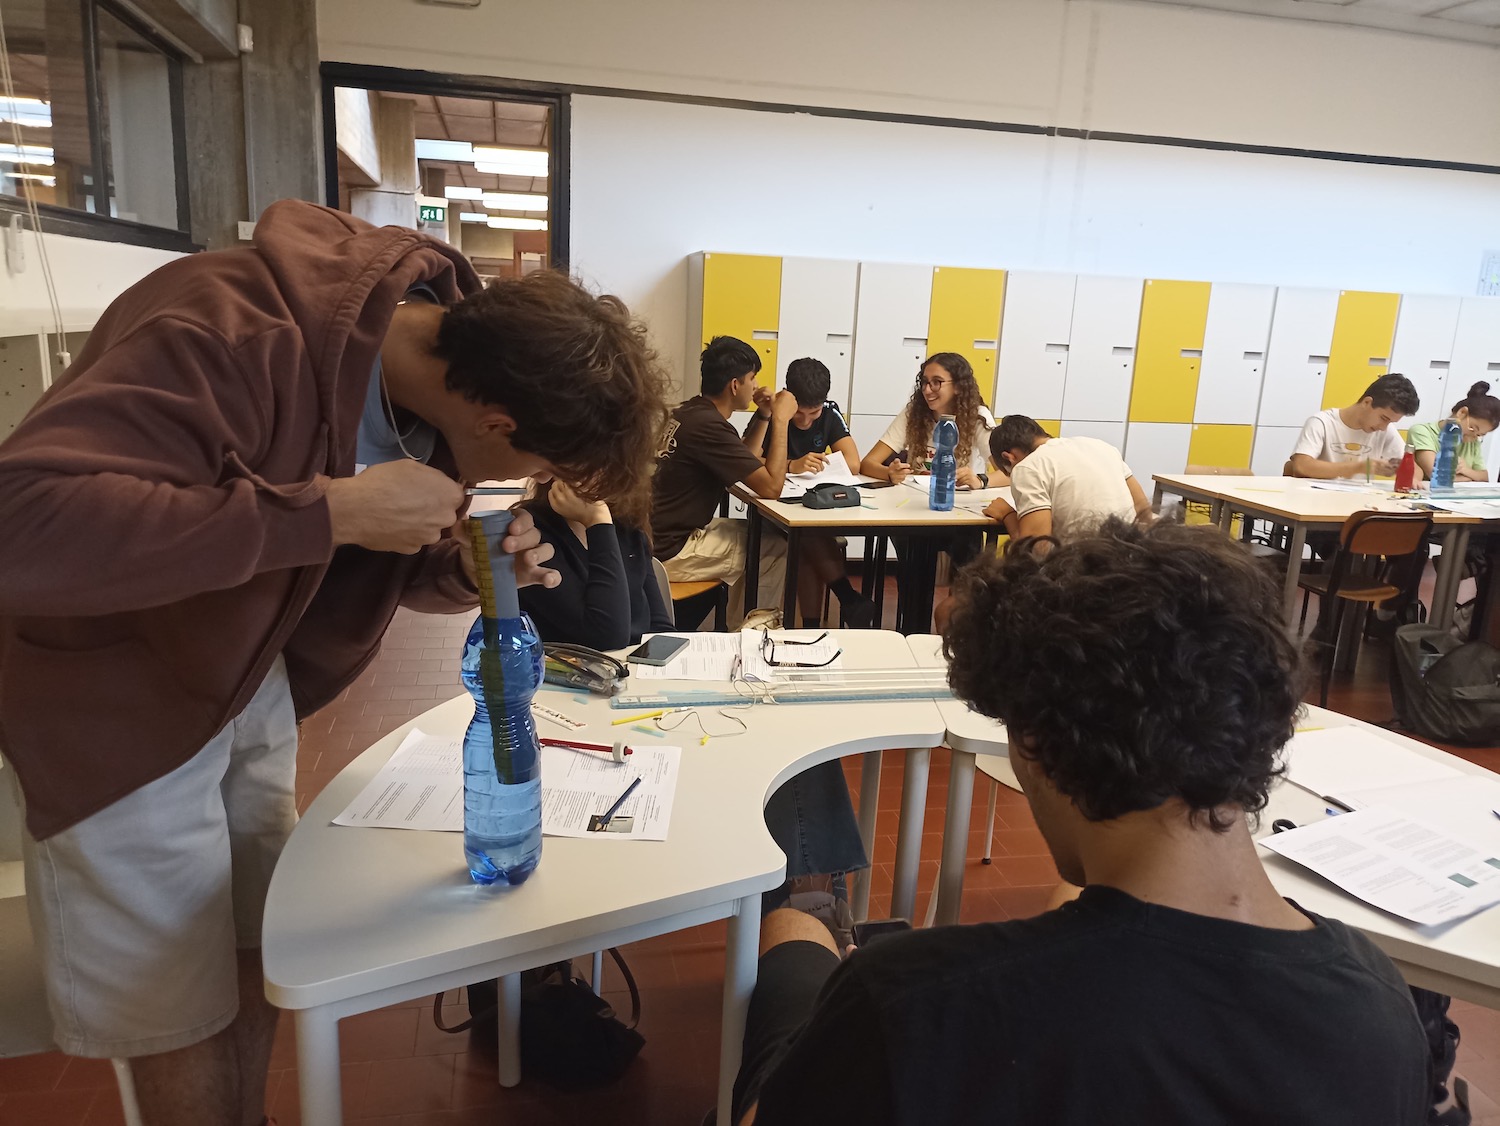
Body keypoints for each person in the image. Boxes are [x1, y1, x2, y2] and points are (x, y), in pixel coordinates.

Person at [0, 200, 668, 1126]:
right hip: (117, 693)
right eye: (539, 468)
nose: (531, 487)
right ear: (497, 419)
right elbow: (23, 522)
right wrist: (332, 512)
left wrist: (459, 567)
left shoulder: (431, 386)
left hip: (246, 672)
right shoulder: (229, 328)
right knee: (170, 1000)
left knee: (256, 940)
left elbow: (360, 552)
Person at [728, 520, 1429, 1126]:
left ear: (1031, 744)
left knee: (796, 934)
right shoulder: (1377, 1003)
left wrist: (814, 979)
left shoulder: (913, 1000)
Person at [654, 337, 870, 626]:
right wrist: (780, 420)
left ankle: (740, 625)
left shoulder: (690, 412)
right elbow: (770, 488)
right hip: (671, 548)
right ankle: (752, 633)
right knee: (774, 548)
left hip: (657, 535)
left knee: (767, 537)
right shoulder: (710, 427)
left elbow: (743, 459)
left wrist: (766, 414)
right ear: (735, 385)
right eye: (752, 378)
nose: (756, 385)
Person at [744, 357, 876, 627]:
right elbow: (746, 460)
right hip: (771, 510)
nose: (805, 421)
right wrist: (791, 465)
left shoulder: (829, 411)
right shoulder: (774, 411)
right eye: (799, 413)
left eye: (813, 414)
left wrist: (823, 463)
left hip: (809, 505)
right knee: (805, 535)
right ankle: (847, 597)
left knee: (806, 537)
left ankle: (813, 626)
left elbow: (853, 462)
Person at [515, 480, 672, 650]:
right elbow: (607, 638)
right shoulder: (533, 534)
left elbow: (661, 627)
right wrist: (597, 522)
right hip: (577, 663)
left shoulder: (626, 524)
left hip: (636, 662)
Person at [982, 414, 1152, 540]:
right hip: (1131, 558)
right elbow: (1143, 511)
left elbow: (1035, 549)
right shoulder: (1102, 446)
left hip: (1082, 566)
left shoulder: (1027, 467)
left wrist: (1008, 515)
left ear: (1009, 458)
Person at [858, 352, 995, 488]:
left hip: (958, 495)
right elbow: (867, 463)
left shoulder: (977, 416)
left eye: (937, 382)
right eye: (925, 382)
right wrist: (889, 473)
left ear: (958, 387)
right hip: (915, 494)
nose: (927, 390)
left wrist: (980, 481)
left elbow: (1005, 473)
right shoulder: (914, 412)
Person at [1288, 373, 1422, 480]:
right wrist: (1359, 468)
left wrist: (1413, 479)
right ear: (1367, 402)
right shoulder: (1322, 422)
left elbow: (1416, 469)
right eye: (1384, 418)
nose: (1383, 427)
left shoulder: (1386, 431)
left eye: (1390, 422)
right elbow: (1302, 466)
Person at [1409, 381, 1500, 483]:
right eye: (1473, 428)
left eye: (1479, 435)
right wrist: (1469, 478)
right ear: (1462, 413)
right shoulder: (1423, 432)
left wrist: (1465, 470)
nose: (1472, 437)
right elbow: (1436, 475)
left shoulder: (1473, 442)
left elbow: (1484, 477)